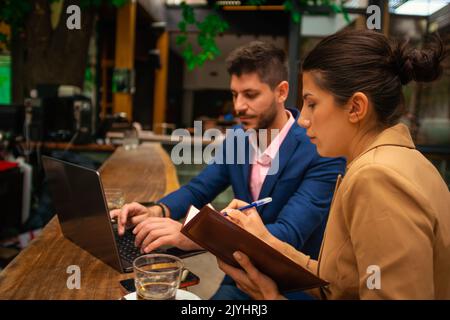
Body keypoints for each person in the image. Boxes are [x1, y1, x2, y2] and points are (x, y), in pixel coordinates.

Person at [218, 29, 450, 299]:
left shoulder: (376, 177)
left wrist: (273, 298)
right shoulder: (402, 161)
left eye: (311, 104)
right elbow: (344, 281)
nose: (303, 119)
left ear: (355, 108)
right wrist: (265, 241)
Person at [110, 41, 345, 299]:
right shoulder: (237, 138)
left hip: (294, 286)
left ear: (281, 92)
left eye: (250, 94)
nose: (239, 106)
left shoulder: (320, 149)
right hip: (240, 275)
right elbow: (199, 188)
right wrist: (155, 210)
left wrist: (197, 237)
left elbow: (289, 233)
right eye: (235, 94)